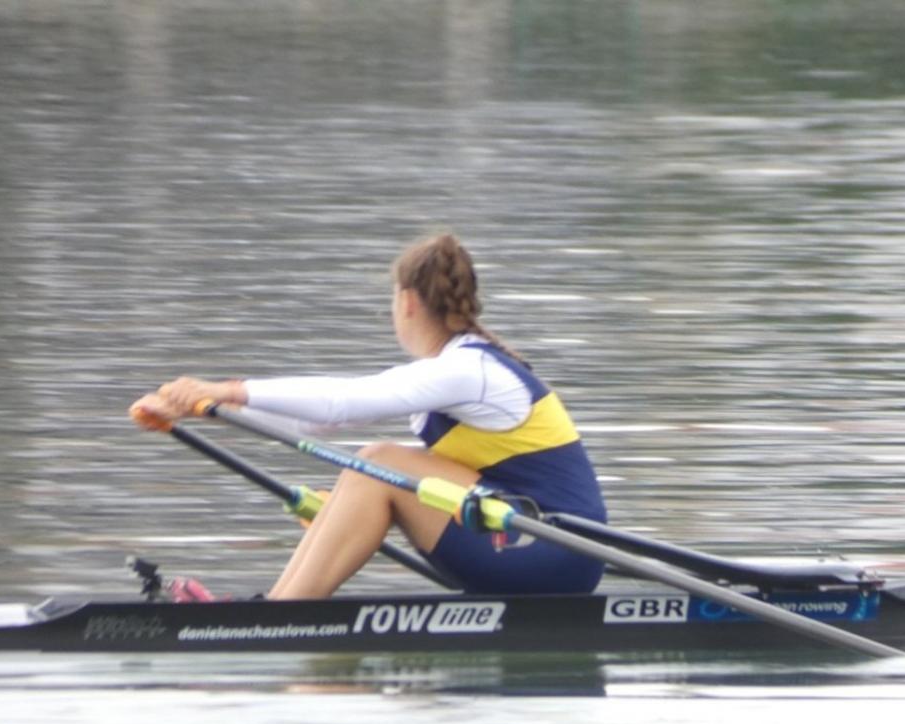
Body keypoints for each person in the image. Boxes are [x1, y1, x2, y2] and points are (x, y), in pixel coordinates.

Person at [130, 233, 607, 599]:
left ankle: (279, 614)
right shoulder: (457, 368)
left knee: (378, 462)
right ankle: (274, 607)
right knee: (371, 469)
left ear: (407, 301)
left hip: (553, 552)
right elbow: (314, 423)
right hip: (519, 540)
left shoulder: (469, 370)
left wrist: (224, 389)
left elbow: (340, 404)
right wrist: (206, 408)